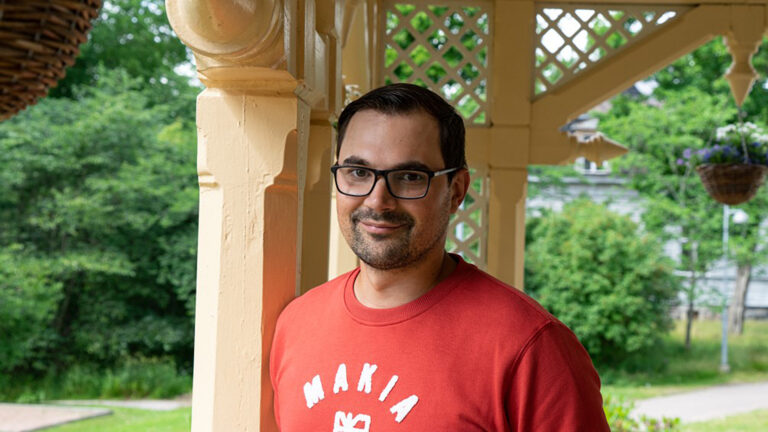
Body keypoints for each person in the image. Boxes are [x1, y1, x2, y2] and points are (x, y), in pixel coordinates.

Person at [270, 83, 610, 431]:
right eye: (358, 173)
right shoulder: (296, 324)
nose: (377, 201)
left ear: (456, 191)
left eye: (409, 177)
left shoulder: (530, 347)